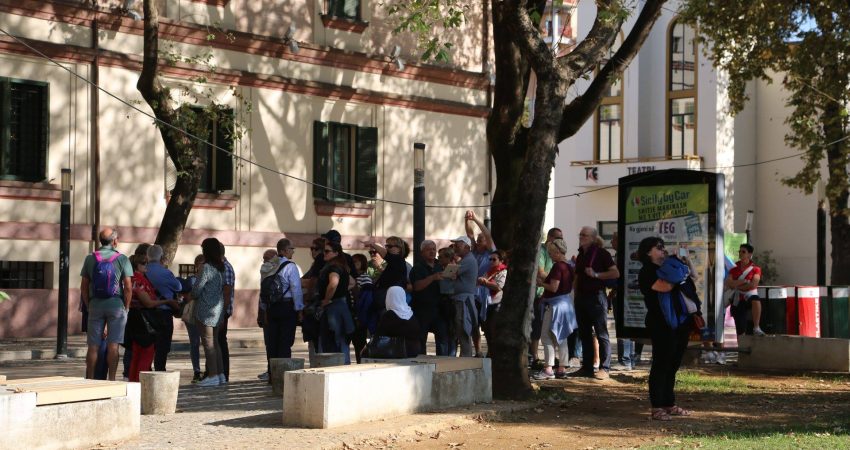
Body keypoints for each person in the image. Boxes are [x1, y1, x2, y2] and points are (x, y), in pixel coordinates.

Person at [637, 236, 694, 420]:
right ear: (648, 252)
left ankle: (669, 403)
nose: (663, 249)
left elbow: (691, 276)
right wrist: (680, 274)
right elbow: (664, 287)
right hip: (661, 323)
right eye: (658, 247)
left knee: (673, 364)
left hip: (680, 321)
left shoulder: (668, 267)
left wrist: (684, 262)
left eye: (663, 246)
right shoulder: (647, 271)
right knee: (661, 364)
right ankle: (657, 406)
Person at [80, 227, 133, 381]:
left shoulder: (90, 258)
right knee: (113, 345)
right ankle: (112, 380)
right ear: (115, 241)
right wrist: (126, 307)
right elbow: (128, 287)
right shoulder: (122, 259)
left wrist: (88, 305)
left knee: (93, 346)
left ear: (100, 241)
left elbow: (84, 286)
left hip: (95, 305)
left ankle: (90, 379)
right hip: (116, 306)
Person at [571, 226, 619, 380]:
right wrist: (575, 295)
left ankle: (605, 368)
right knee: (584, 333)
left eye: (584, 235)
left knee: (601, 333)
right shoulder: (581, 254)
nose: (581, 237)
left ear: (592, 238)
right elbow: (577, 276)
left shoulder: (602, 253)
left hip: (596, 297)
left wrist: (596, 274)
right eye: (580, 234)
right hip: (581, 297)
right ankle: (587, 368)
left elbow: (615, 272)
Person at [125, 254, 178, 382]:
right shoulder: (138, 281)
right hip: (143, 319)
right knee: (146, 352)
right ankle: (140, 383)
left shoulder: (132, 279)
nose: (146, 265)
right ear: (136, 266)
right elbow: (148, 303)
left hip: (134, 317)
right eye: (143, 263)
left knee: (136, 353)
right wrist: (167, 301)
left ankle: (133, 382)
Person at [532, 239, 577, 380]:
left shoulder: (558, 266)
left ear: (558, 252)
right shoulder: (569, 266)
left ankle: (548, 369)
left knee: (546, 336)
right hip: (565, 304)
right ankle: (562, 369)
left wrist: (541, 284)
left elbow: (553, 287)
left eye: (551, 253)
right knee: (561, 337)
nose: (550, 256)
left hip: (555, 305)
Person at [263, 239, 303, 365]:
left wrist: (264, 309)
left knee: (272, 341)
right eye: (291, 249)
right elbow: (296, 289)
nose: (293, 252)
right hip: (287, 307)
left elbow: (264, 289)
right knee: (285, 341)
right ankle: (283, 370)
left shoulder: (268, 266)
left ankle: (272, 371)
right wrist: (299, 309)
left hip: (272, 307)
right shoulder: (291, 266)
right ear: (284, 250)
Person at [192, 238, 226, 387]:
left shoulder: (205, 268)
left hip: (205, 310)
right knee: (215, 343)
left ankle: (212, 375)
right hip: (217, 310)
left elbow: (197, 290)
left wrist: (190, 294)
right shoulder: (221, 268)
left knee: (208, 344)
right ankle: (220, 374)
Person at [530, 227, 564, 368]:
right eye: (558, 238)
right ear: (550, 237)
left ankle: (552, 357)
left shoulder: (557, 252)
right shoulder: (542, 251)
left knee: (551, 327)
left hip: (552, 294)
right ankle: (535, 357)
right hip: (540, 294)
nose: (560, 240)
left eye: (561, 238)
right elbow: (540, 272)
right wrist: (555, 281)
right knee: (537, 327)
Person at [144, 244, 181, 372]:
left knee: (147, 344)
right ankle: (160, 371)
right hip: (164, 312)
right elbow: (178, 287)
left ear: (147, 257)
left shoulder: (142, 272)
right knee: (162, 346)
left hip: (145, 313)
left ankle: (145, 370)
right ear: (161, 257)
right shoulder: (166, 272)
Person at [317, 241, 356, 363]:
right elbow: (352, 282)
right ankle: (342, 367)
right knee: (341, 341)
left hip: (334, 306)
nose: (324, 253)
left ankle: (336, 368)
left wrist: (327, 299)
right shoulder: (342, 266)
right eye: (323, 251)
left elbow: (333, 283)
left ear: (336, 253)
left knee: (333, 341)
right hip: (340, 305)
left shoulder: (333, 267)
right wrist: (341, 291)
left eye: (327, 251)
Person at [410, 240, 449, 356]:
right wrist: (432, 278)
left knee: (442, 339)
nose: (432, 252)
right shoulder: (417, 268)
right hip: (422, 309)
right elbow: (416, 286)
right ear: (422, 252)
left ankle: (443, 363)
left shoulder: (440, 265)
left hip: (440, 309)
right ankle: (422, 362)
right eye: (428, 250)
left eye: (434, 249)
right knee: (421, 339)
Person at [465, 210, 496, 356]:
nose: (478, 242)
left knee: (488, 324)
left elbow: (487, 235)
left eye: (480, 240)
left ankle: (491, 350)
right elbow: (470, 235)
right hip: (474, 291)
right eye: (478, 240)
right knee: (474, 323)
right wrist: (467, 220)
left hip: (486, 293)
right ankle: (478, 350)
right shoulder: (474, 252)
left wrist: (476, 219)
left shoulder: (490, 253)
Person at [726, 243, 765, 336]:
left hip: (749, 297)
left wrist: (737, 285)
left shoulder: (756, 269)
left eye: (743, 252)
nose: (740, 253)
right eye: (739, 251)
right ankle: (741, 343)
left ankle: (756, 327)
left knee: (755, 299)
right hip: (737, 299)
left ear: (750, 254)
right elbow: (729, 283)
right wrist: (744, 281)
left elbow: (753, 284)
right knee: (740, 329)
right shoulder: (733, 268)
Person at [449, 235, 479, 357]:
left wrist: (451, 261)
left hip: (463, 300)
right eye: (455, 245)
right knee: (461, 329)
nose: (455, 247)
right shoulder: (465, 260)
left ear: (467, 247)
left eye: (458, 245)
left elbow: (449, 273)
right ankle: (465, 357)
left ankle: (466, 358)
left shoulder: (468, 260)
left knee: (463, 329)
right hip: (461, 299)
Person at [375, 286, 422, 357]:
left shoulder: (389, 315)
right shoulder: (410, 313)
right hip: (414, 351)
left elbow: (379, 336)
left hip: (397, 350)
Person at [479, 249, 507, 354]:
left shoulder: (503, 271)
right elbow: (483, 280)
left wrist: (485, 282)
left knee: (493, 329)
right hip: (488, 303)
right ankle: (490, 352)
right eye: (490, 259)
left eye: (494, 259)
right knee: (487, 330)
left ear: (501, 260)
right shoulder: (490, 271)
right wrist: (482, 281)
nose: (491, 261)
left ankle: (494, 354)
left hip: (498, 304)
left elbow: (499, 287)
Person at [256, 249, 279, 381]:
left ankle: (273, 371)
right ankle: (270, 369)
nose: (264, 261)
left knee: (273, 343)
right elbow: (262, 296)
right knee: (268, 343)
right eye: (264, 258)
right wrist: (260, 313)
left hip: (273, 312)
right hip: (265, 312)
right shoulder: (265, 273)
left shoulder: (276, 271)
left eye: (267, 258)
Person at [185, 254, 205, 382]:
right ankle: (196, 370)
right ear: (196, 265)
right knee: (195, 342)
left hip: (205, 314)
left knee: (208, 342)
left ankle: (209, 369)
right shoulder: (192, 280)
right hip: (193, 314)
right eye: (201, 264)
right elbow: (188, 296)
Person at [219, 244, 235, 382]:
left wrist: (222, 313)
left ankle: (223, 373)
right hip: (217, 311)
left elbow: (227, 292)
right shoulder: (218, 267)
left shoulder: (226, 267)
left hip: (221, 312)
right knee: (216, 343)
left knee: (220, 342)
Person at [437, 246, 458, 356]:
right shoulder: (440, 268)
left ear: (448, 258)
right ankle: (445, 354)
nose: (438, 259)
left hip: (450, 300)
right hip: (442, 300)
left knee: (451, 331)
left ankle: (451, 355)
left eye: (441, 257)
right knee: (443, 331)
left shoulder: (453, 268)